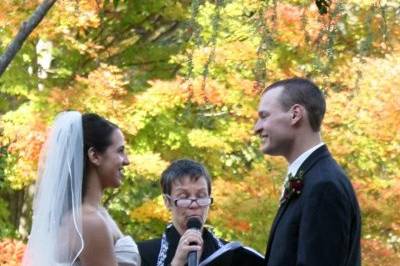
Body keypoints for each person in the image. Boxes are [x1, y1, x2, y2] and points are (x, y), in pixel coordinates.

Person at [254, 78, 361, 266]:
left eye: (264, 116)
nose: (257, 128)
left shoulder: (324, 186)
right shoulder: (313, 177)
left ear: (295, 115)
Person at [23, 111, 140, 266]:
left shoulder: (91, 214)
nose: (126, 161)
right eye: (120, 151)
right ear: (95, 156)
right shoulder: (89, 222)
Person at [137, 159, 229, 266]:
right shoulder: (141, 255)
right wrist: (178, 262)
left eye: (201, 196)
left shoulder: (231, 255)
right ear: (167, 202)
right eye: (183, 197)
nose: (194, 205)